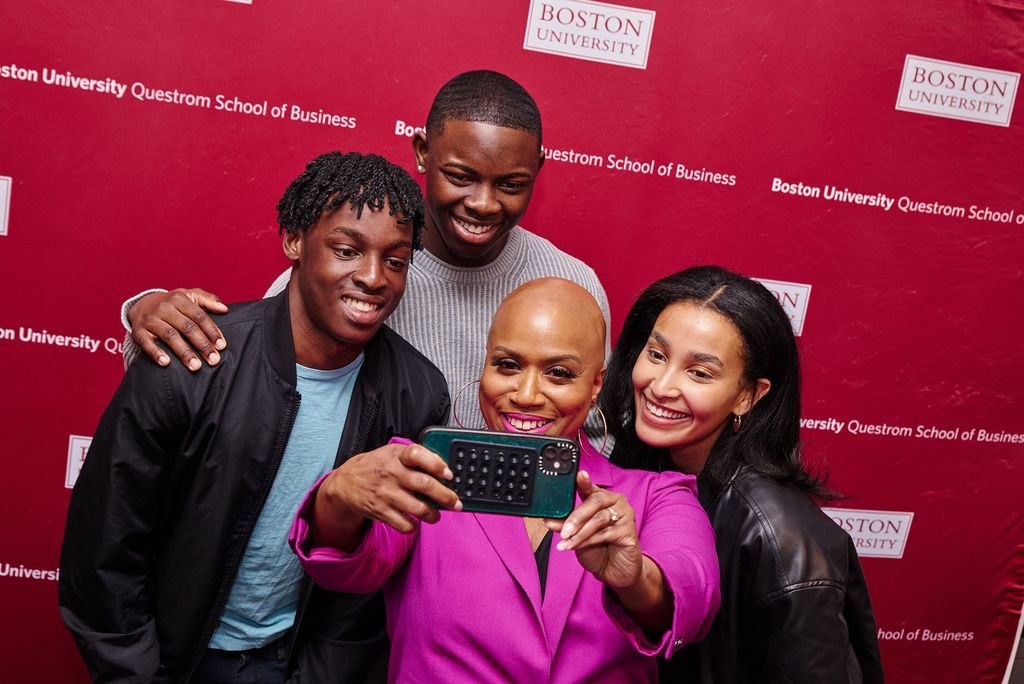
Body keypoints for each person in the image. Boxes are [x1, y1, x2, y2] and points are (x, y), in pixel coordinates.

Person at [59, 152, 450, 683]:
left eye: (396, 261)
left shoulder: (417, 392)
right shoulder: (194, 358)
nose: (374, 278)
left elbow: (366, 589)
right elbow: (104, 551)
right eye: (346, 250)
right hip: (168, 662)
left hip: (287, 665)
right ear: (293, 240)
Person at [118, 70, 610, 429]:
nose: (483, 203)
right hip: (364, 539)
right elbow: (245, 373)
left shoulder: (572, 285)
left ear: (538, 173)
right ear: (421, 152)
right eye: (460, 177)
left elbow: (594, 436)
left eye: (511, 184)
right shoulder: (356, 273)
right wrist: (145, 311)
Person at [289, 278, 720, 683]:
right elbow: (347, 569)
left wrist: (634, 579)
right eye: (508, 365)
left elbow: (692, 607)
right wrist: (337, 497)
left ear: (596, 385)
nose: (527, 394)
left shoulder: (657, 495)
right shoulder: (420, 472)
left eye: (559, 373)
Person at [600, 265, 885, 683]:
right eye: (657, 355)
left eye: (699, 373)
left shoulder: (779, 534)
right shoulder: (643, 466)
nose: (661, 386)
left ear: (749, 395)